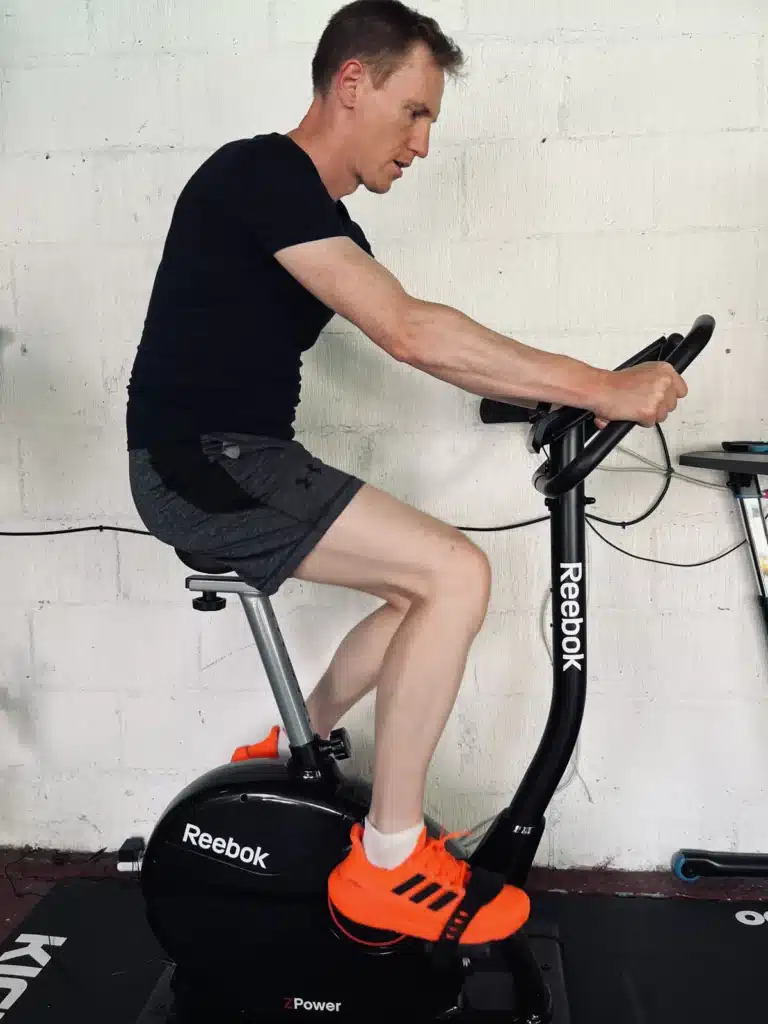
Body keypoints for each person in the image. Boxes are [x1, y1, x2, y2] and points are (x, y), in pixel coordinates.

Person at [126, 1, 687, 947]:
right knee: (456, 574)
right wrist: (605, 385)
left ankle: (291, 738)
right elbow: (411, 330)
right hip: (204, 464)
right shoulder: (259, 173)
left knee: (417, 597)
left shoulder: (312, 212)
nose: (423, 144)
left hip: (237, 458)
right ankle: (385, 865)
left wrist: (573, 392)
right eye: (415, 112)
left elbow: (432, 337)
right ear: (353, 83)